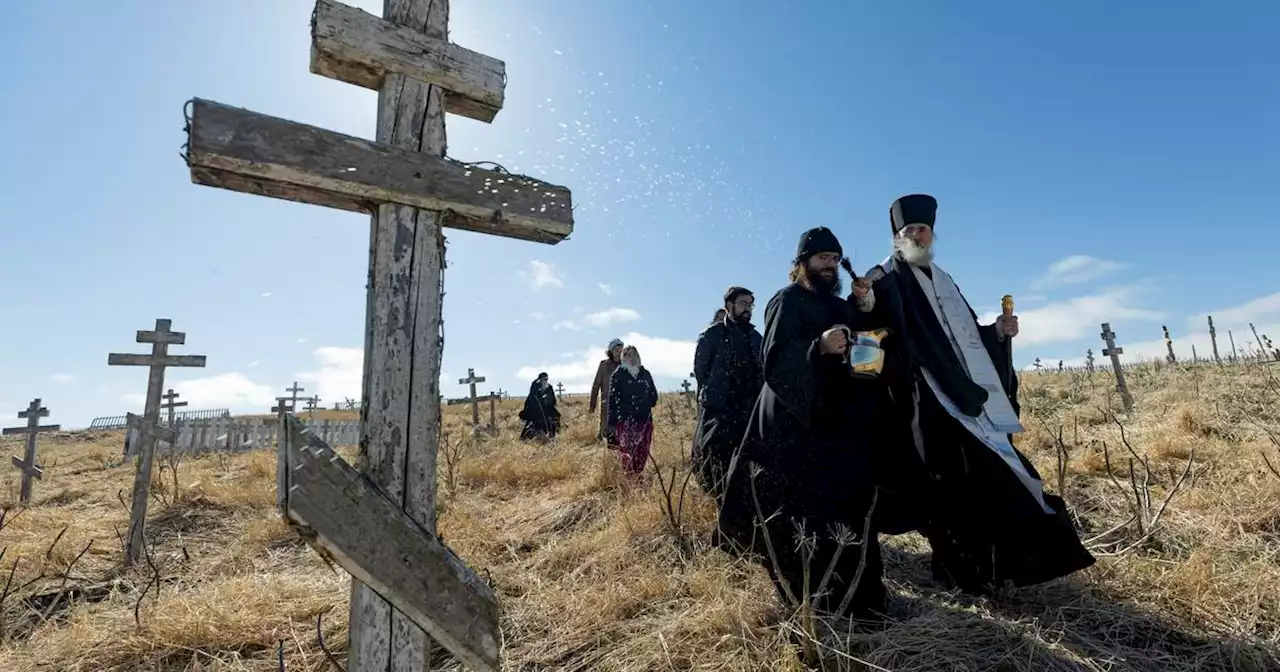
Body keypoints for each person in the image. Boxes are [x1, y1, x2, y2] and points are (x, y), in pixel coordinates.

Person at [865, 193, 1095, 594]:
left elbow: (966, 335)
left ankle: (997, 569)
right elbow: (874, 328)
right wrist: (866, 304)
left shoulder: (944, 279)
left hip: (967, 401)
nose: (916, 235)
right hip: (925, 402)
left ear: (932, 234)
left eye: (923, 229)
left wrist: (997, 334)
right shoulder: (883, 278)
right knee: (945, 486)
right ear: (896, 237)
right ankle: (957, 572)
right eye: (908, 230)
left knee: (994, 477)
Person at [716, 227, 900, 622]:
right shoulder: (787, 301)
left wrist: (866, 304)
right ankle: (815, 606)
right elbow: (776, 361)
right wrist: (817, 347)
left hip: (841, 427)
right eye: (822, 259)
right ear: (802, 263)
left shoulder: (839, 305)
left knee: (850, 513)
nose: (830, 267)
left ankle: (862, 603)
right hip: (796, 430)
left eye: (835, 259)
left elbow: (868, 337)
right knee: (805, 520)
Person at [692, 286, 763, 499]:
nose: (747, 309)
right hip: (720, 412)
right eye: (743, 303)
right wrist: (717, 391)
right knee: (715, 461)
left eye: (750, 305)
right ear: (729, 305)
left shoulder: (756, 337)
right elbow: (701, 371)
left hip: (749, 411)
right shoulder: (712, 334)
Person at [607, 345, 658, 479]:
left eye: (633, 354)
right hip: (625, 422)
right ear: (623, 357)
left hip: (644, 420)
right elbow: (612, 401)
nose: (631, 357)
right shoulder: (618, 375)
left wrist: (646, 401)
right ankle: (630, 480)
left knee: (642, 452)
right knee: (627, 453)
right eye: (627, 354)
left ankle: (639, 478)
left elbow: (654, 396)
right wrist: (611, 424)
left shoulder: (645, 374)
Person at [589, 338, 624, 447]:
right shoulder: (604, 365)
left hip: (623, 404)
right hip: (607, 403)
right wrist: (592, 405)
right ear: (611, 351)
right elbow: (596, 385)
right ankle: (605, 452)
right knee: (607, 430)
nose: (619, 352)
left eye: (621, 349)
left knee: (621, 431)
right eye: (616, 349)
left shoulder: (625, 365)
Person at [518, 372, 561, 441]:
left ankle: (553, 434)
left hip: (547, 408)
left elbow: (552, 398)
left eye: (546, 379)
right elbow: (532, 398)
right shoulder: (535, 386)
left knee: (556, 415)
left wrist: (550, 403)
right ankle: (524, 437)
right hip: (535, 408)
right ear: (540, 379)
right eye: (544, 379)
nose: (545, 380)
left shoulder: (549, 387)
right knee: (531, 419)